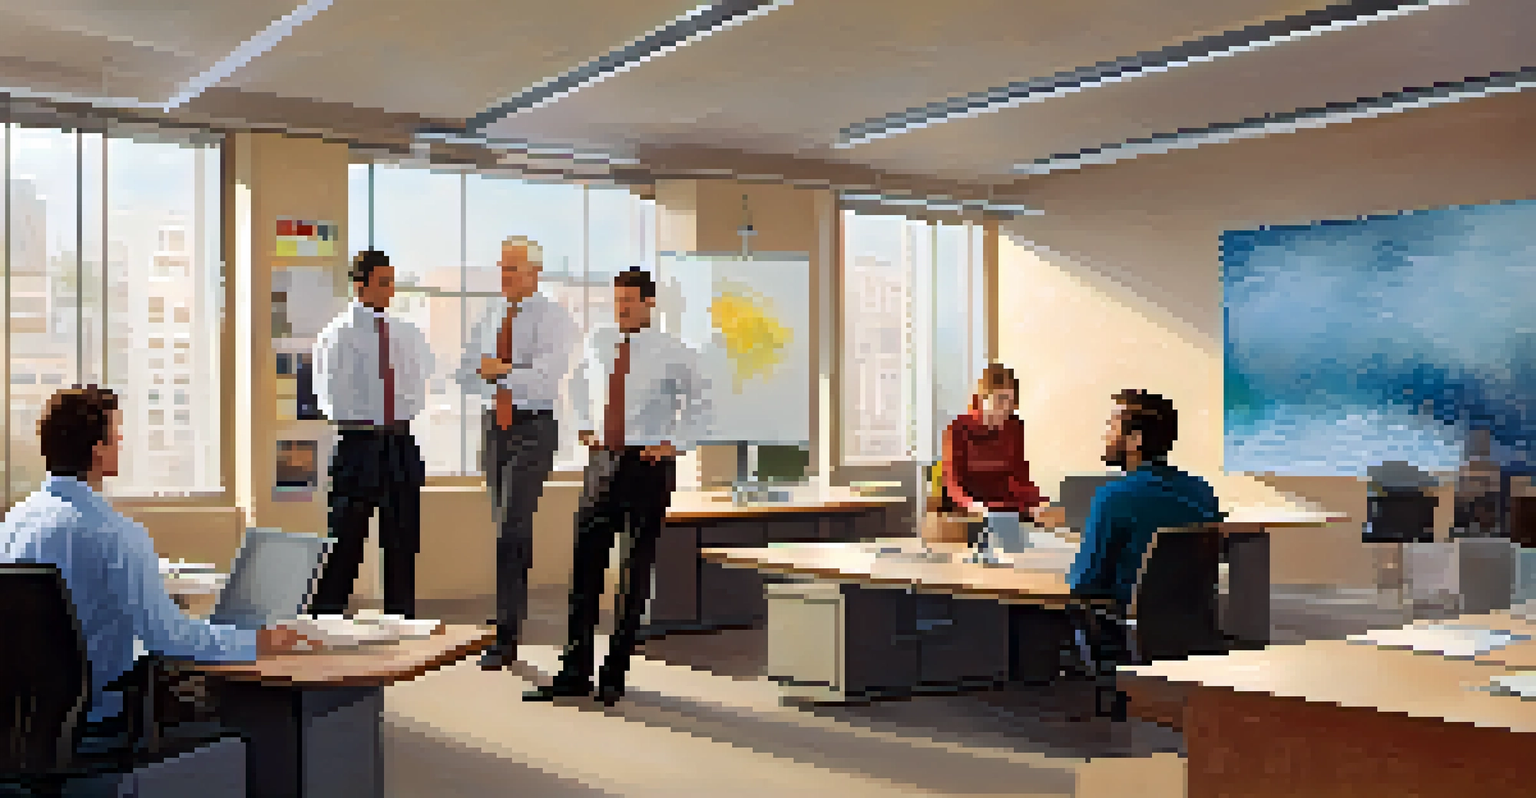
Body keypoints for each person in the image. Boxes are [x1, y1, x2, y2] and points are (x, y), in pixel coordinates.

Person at [0, 386, 311, 731]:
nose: (121, 444)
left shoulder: (14, 523)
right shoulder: (115, 534)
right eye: (117, 436)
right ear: (98, 450)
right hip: (101, 715)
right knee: (222, 702)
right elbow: (168, 637)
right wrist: (257, 641)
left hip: (21, 720)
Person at [525, 267, 712, 707]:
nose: (622, 307)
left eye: (630, 300)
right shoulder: (598, 341)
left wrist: (674, 444)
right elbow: (577, 388)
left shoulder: (674, 352)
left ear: (649, 303)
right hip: (601, 463)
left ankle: (614, 673)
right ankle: (573, 671)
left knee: (634, 571)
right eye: (618, 300)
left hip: (647, 467)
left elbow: (704, 405)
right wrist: (586, 427)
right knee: (584, 570)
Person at [455, 237, 579, 669]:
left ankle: (506, 636)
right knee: (504, 530)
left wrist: (502, 370)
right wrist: (493, 374)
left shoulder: (554, 318)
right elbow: (467, 372)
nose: (504, 277)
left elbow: (546, 381)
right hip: (495, 428)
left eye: (512, 270)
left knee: (512, 528)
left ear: (534, 273)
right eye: (501, 268)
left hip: (534, 428)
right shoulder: (490, 314)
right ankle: (505, 623)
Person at [1064, 389, 1220, 717]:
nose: (1106, 434)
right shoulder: (1202, 491)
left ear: (1134, 440)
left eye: (1112, 426)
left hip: (1130, 621)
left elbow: (1085, 582)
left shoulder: (1114, 496)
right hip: (1190, 618)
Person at [309, 249, 434, 619]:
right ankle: (323, 624)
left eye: (392, 281)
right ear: (360, 284)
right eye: (383, 282)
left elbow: (422, 381)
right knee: (343, 546)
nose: (390, 290)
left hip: (400, 444)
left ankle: (401, 626)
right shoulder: (337, 335)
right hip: (358, 445)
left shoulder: (406, 333)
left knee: (402, 546)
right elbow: (332, 397)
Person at [942, 363, 1064, 527]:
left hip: (1008, 511)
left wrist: (1039, 502)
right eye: (1000, 399)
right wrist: (976, 507)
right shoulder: (958, 429)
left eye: (1011, 401)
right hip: (971, 516)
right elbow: (953, 485)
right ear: (982, 398)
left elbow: (1019, 476)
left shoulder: (1013, 426)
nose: (1006, 408)